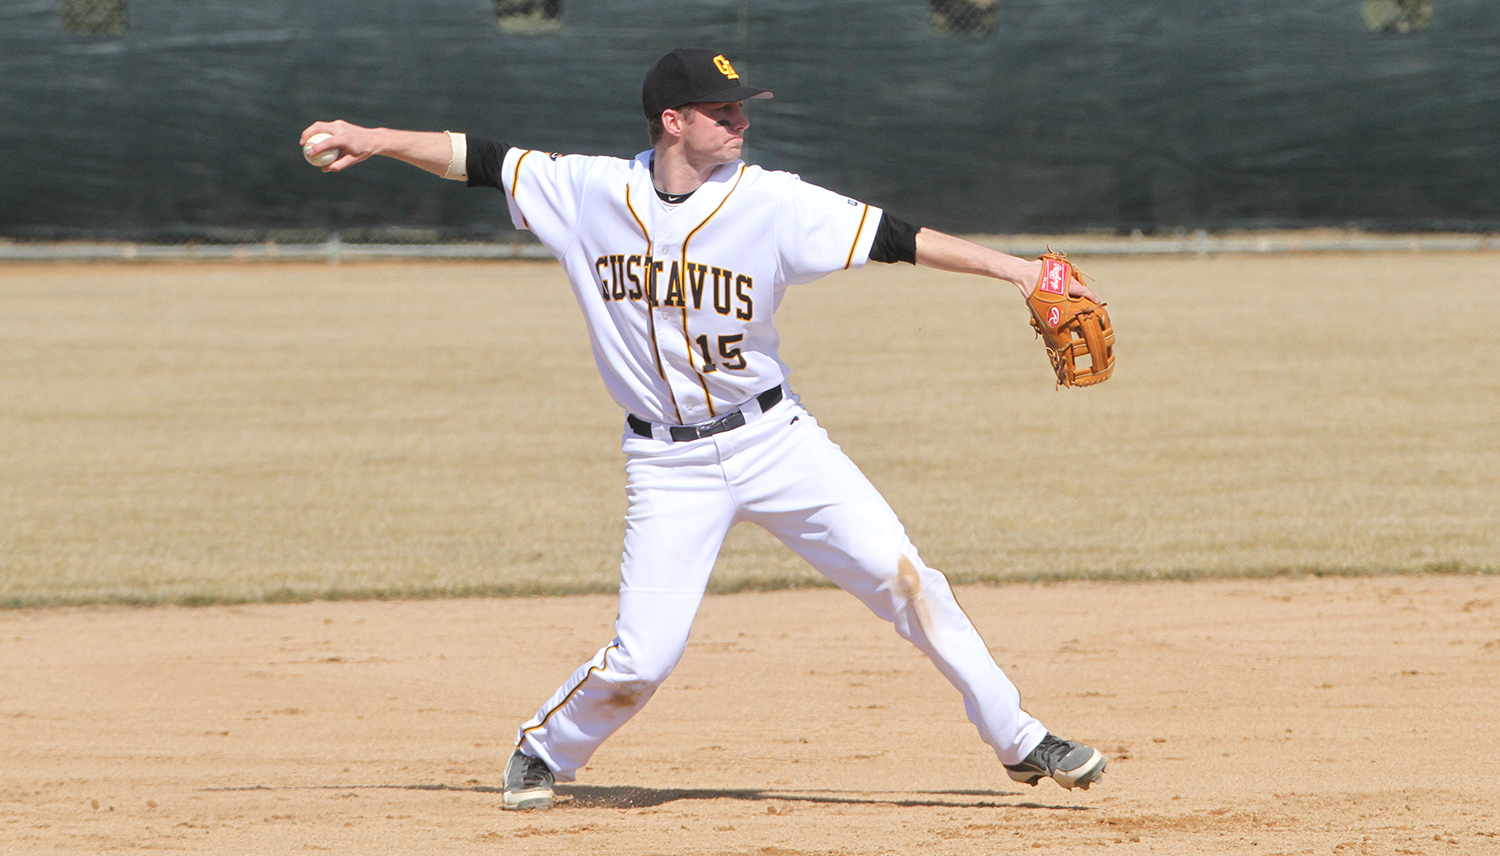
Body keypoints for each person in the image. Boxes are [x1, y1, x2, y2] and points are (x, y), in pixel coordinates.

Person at [301, 47, 1107, 811]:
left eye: (742, 109)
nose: (741, 122)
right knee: (644, 656)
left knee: (909, 582)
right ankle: (545, 751)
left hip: (778, 443)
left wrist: (1017, 270)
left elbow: (897, 237)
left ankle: (1019, 737)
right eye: (723, 110)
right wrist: (370, 139)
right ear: (674, 120)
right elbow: (476, 158)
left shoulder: (774, 201)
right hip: (666, 464)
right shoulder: (587, 191)